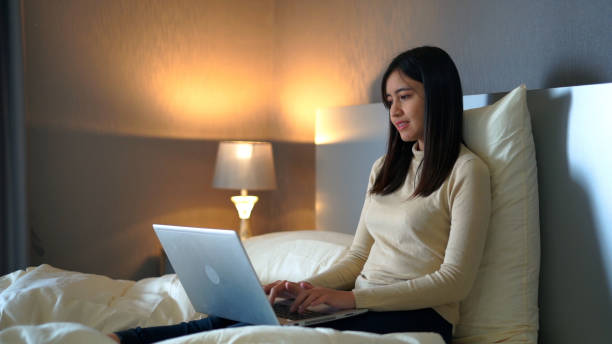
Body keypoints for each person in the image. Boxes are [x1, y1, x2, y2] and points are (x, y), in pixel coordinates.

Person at [109, 46, 491, 344]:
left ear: (438, 95)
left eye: (404, 96)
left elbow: (455, 280)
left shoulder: (466, 172)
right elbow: (358, 256)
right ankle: (126, 338)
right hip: (364, 303)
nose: (394, 111)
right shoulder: (385, 168)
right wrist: (306, 288)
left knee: (271, 331)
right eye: (389, 101)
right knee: (258, 311)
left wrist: (351, 300)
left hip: (421, 316)